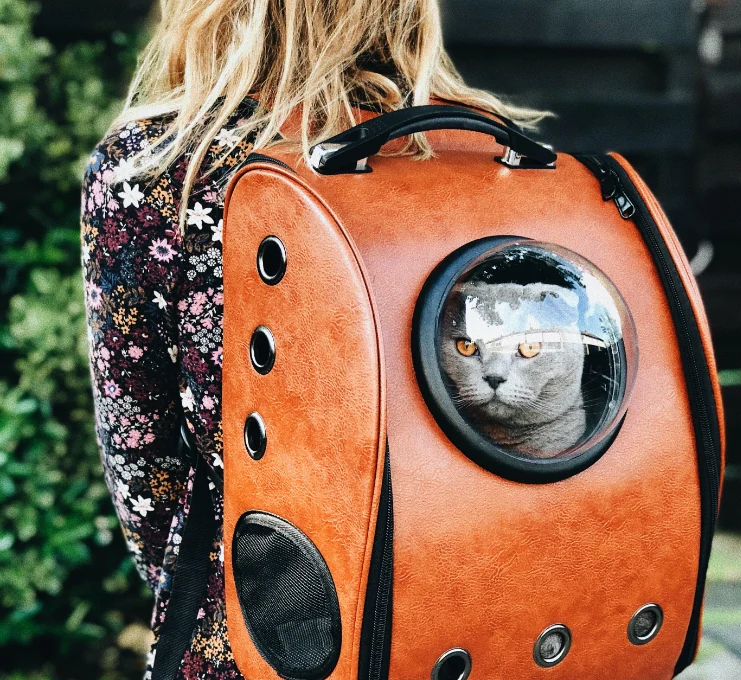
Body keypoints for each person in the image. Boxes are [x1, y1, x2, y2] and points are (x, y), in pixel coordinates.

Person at [81, 1, 541, 677]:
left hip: (270, 628)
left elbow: (142, 461)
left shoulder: (160, 167)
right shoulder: (493, 153)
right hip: (485, 620)